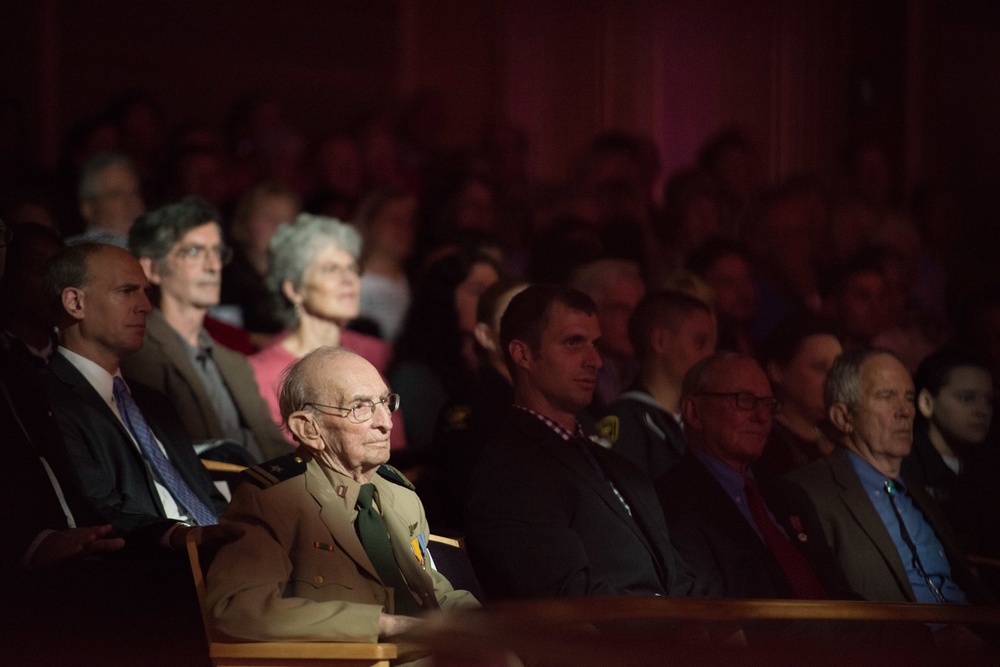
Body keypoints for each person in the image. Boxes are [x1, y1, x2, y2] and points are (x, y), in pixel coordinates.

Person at [205, 347, 478, 642]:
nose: (385, 423)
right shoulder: (273, 499)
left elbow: (432, 590)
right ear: (309, 429)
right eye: (360, 407)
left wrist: (489, 626)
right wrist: (381, 625)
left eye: (385, 402)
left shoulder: (400, 495)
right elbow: (236, 608)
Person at [465, 284, 701, 599]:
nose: (595, 361)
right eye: (574, 343)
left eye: (595, 344)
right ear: (522, 354)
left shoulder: (615, 463)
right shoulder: (509, 468)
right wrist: (672, 626)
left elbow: (677, 574)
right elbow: (565, 596)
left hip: (672, 634)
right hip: (610, 642)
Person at [39, 243, 228, 550]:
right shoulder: (48, 399)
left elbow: (207, 494)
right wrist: (182, 536)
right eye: (127, 291)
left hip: (217, 553)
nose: (146, 306)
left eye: (145, 292)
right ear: (75, 303)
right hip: (156, 565)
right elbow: (99, 511)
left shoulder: (153, 401)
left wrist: (238, 528)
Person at [786, 349, 990, 605]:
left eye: (908, 397)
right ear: (843, 417)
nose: (904, 411)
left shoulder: (919, 493)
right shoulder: (807, 492)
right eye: (886, 396)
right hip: (905, 640)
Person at [656, 352, 849, 600]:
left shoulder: (789, 495)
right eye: (744, 401)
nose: (762, 417)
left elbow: (837, 591)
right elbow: (713, 613)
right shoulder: (672, 501)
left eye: (768, 404)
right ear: (693, 412)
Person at [121, 197, 291, 465]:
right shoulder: (138, 350)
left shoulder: (234, 362)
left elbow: (277, 448)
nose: (213, 266)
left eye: (217, 252)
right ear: (151, 268)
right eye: (194, 252)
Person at [248, 213, 402, 447]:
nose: (348, 279)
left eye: (351, 268)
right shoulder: (264, 373)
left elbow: (395, 448)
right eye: (331, 269)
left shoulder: (369, 357)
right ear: (294, 289)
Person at [599, 290, 716, 482]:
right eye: (700, 342)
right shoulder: (625, 423)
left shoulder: (699, 422)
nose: (711, 355)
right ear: (660, 341)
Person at [389, 247, 501, 448]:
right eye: (477, 290)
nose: (489, 302)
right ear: (445, 297)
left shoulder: (496, 366)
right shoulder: (416, 376)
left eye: (495, 292)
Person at [904, 347, 1000, 560]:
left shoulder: (986, 466)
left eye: (988, 400)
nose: (982, 410)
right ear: (927, 402)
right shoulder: (905, 467)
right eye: (967, 398)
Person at [757, 315, 843, 475]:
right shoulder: (766, 445)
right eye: (820, 367)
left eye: (838, 368)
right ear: (777, 371)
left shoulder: (840, 435)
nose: (834, 379)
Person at [220, 181, 301, 337]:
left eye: (288, 221)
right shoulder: (227, 281)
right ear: (245, 222)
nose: (280, 227)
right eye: (269, 218)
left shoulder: (300, 279)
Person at [569, 258, 645, 410]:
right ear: (590, 312)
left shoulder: (644, 372)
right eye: (621, 309)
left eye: (638, 310)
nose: (633, 320)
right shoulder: (572, 373)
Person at [354, 187, 417, 342]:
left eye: (409, 221)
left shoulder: (415, 283)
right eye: (394, 220)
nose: (403, 228)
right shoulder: (351, 282)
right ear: (370, 224)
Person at [66, 151, 145, 247]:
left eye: (135, 193)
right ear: (88, 209)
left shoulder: (155, 247)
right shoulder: (73, 254)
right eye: (116, 194)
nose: (131, 203)